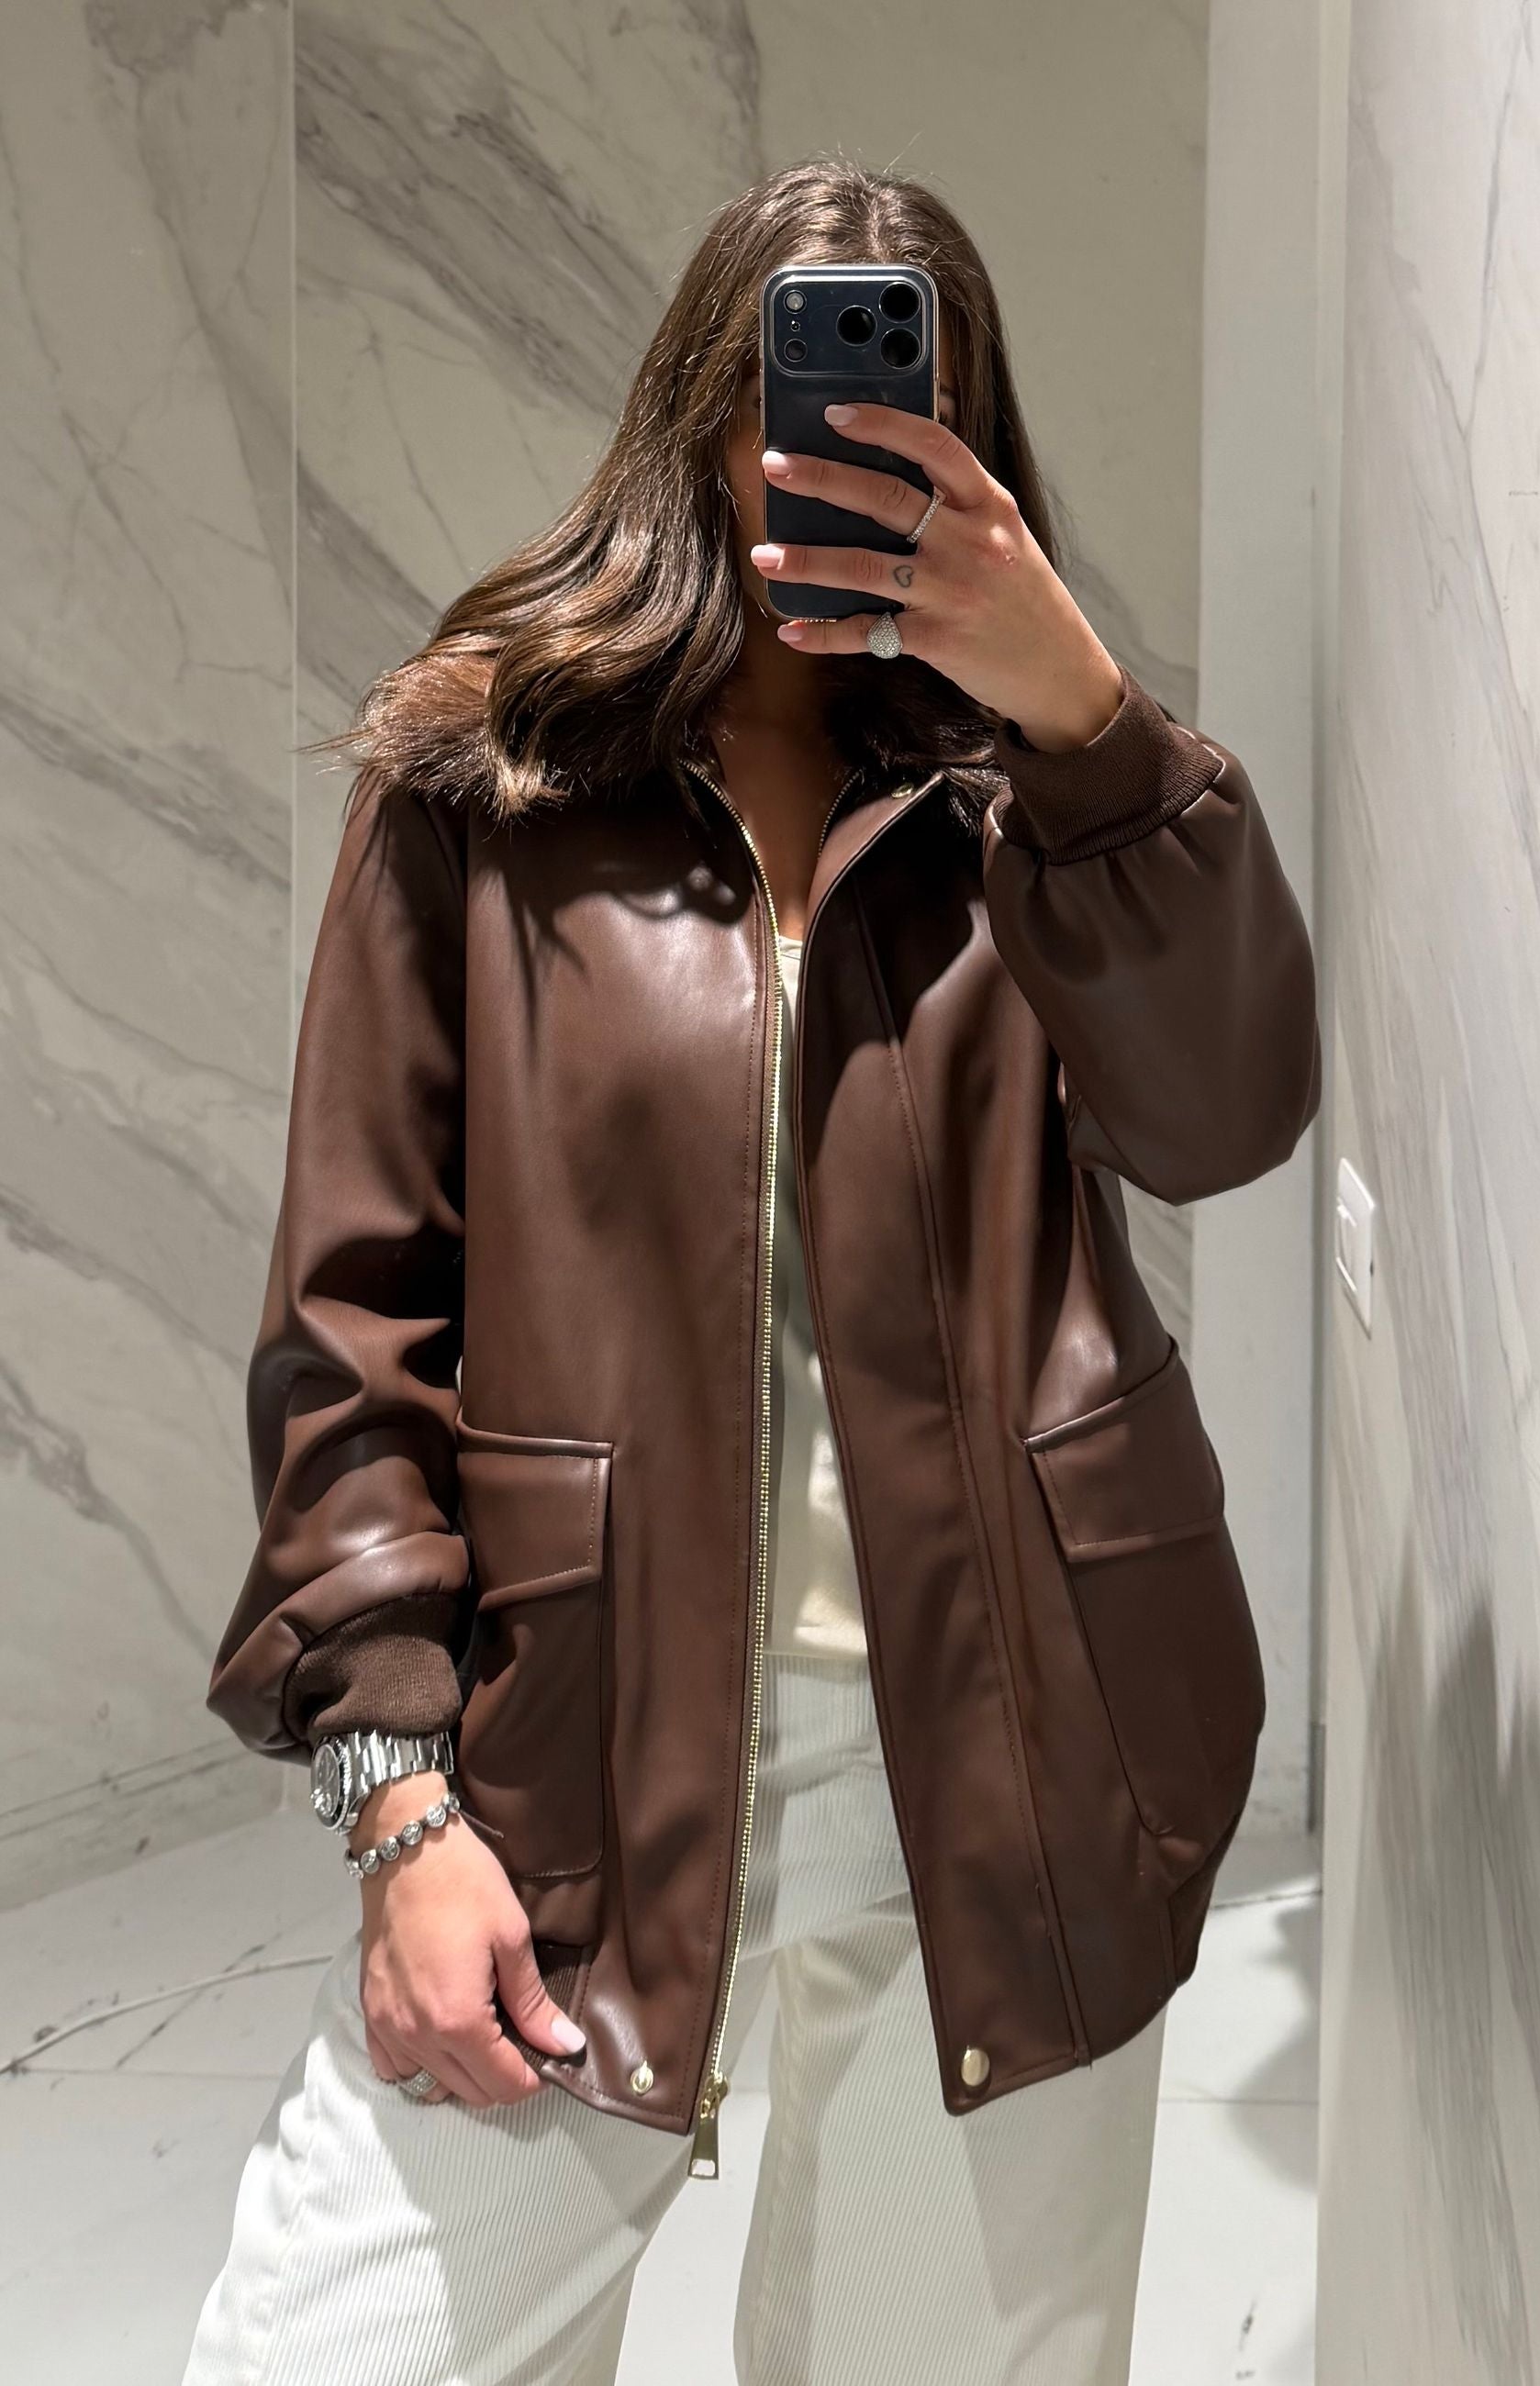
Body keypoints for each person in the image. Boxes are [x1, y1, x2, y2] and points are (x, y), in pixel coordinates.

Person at [183, 157, 1320, 2386]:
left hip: (1010, 1746)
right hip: (580, 1759)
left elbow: (1227, 1112)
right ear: (705, 421)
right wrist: (397, 1799)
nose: (855, 455)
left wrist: (1090, 724)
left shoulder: (1040, 797)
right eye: (801, 400)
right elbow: (352, 1317)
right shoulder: (491, 776)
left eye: (920, 411)